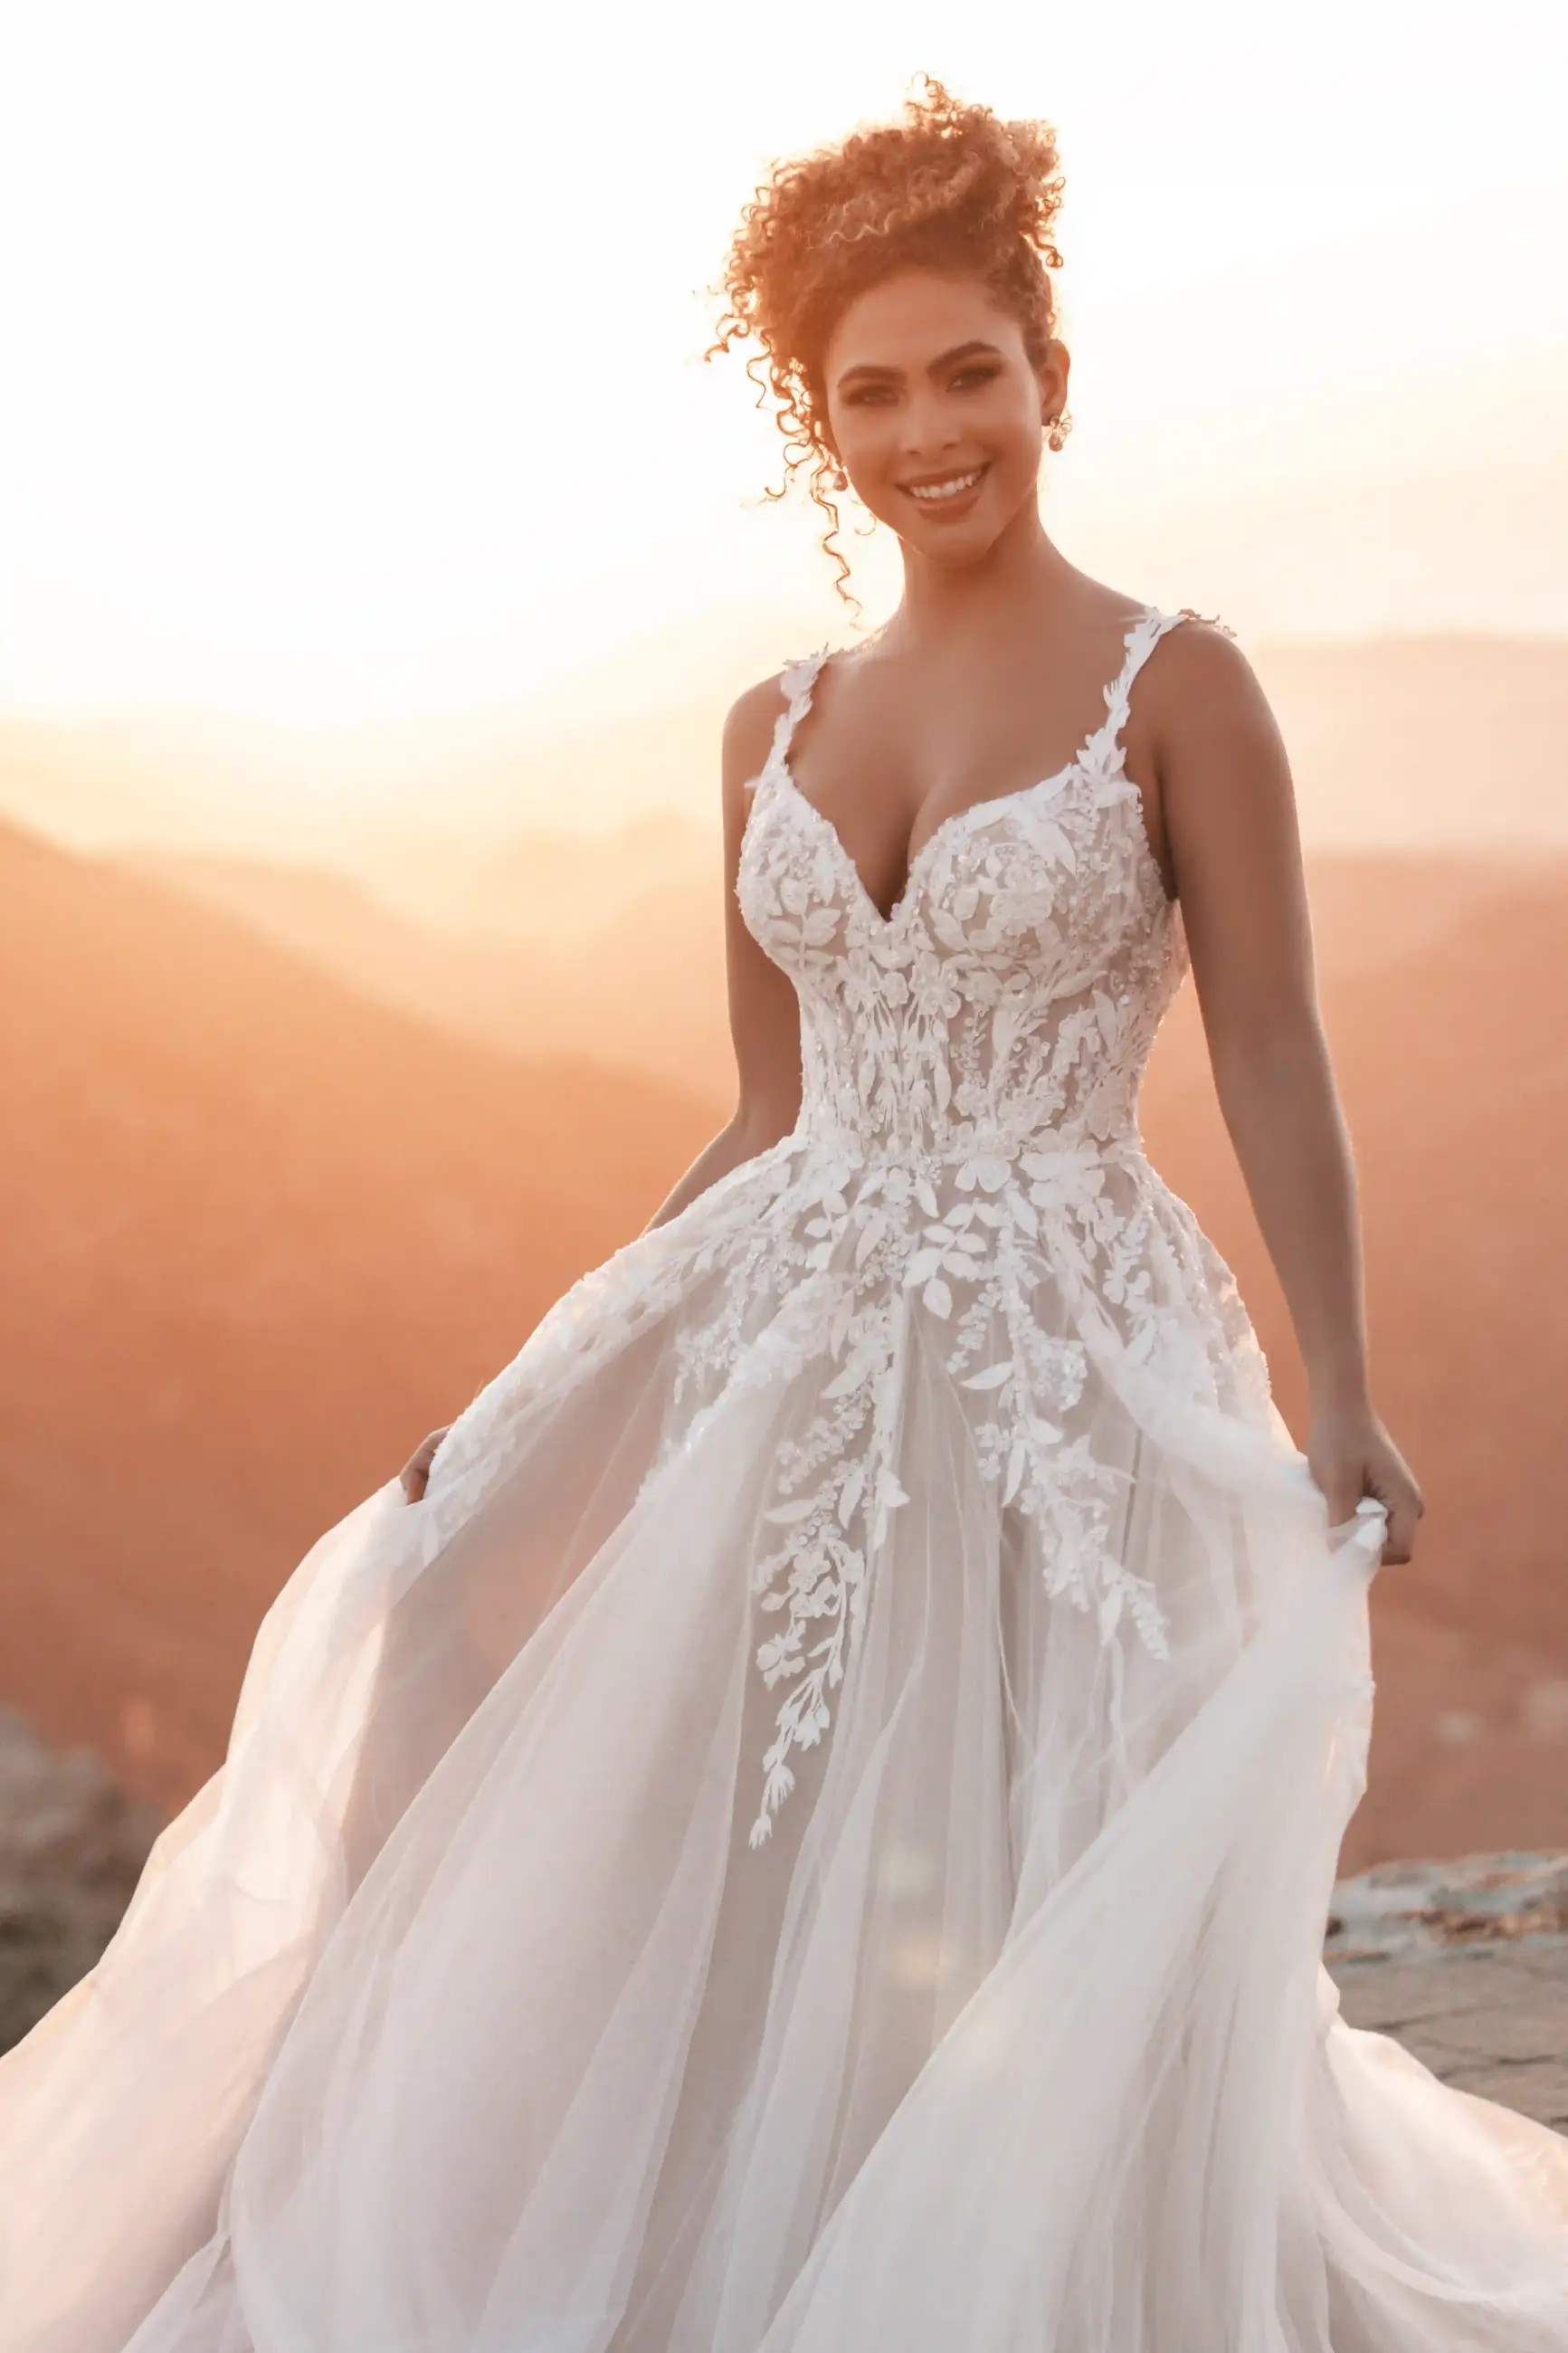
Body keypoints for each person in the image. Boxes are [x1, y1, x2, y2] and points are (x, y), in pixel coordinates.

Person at [3, 71, 1565, 2353]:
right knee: (678, 1773)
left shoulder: (1184, 688)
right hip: (792, 1311)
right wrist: (557, 1375)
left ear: (1054, 377)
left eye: (972, 373)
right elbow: (762, 1105)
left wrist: (1347, 1388)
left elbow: (1272, 1055)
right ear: (811, 418)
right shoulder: (768, 721)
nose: (930, 430)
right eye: (873, 392)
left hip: (1062, 1339)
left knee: (1015, 1827)